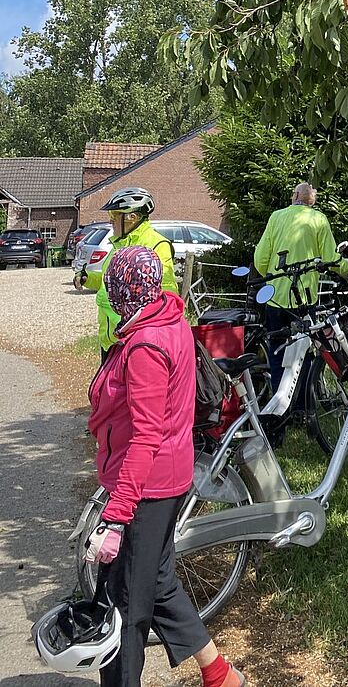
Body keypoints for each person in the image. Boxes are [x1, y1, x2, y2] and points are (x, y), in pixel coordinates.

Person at [84, 245, 243, 687]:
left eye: (113, 286)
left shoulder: (144, 346)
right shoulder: (168, 317)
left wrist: (115, 517)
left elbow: (145, 435)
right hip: (170, 477)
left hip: (147, 487)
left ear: (122, 290)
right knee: (157, 583)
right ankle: (220, 674)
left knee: (125, 604)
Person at [253, 182, 348, 390]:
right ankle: (303, 406)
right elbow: (330, 258)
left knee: (277, 351)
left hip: (274, 297)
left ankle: (279, 404)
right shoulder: (318, 219)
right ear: (312, 201)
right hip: (304, 299)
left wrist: (272, 279)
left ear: (295, 195)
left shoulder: (276, 217)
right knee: (304, 352)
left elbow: (260, 258)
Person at [81, 187, 176, 361]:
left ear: (131, 217)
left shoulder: (155, 245)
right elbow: (109, 282)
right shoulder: (119, 244)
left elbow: (167, 295)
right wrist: (87, 279)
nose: (110, 222)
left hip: (133, 340)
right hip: (110, 339)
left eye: (114, 216)